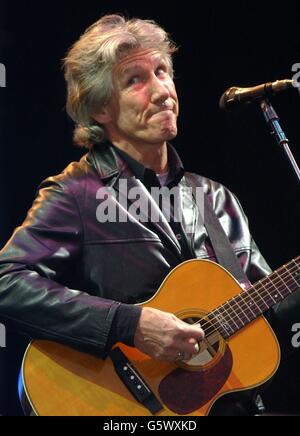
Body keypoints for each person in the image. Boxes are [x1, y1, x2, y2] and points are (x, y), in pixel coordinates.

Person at [0, 14, 298, 416]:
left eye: (162, 72)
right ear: (100, 107)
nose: (162, 92)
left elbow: (267, 304)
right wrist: (130, 325)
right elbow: (7, 281)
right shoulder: (78, 192)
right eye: (135, 80)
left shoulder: (216, 198)